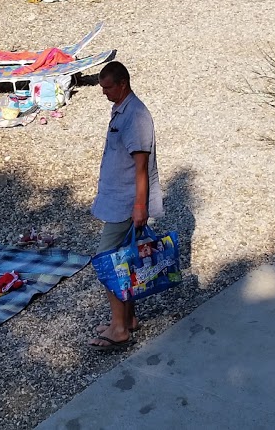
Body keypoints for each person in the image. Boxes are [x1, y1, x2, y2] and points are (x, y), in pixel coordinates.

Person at [89, 61, 162, 349]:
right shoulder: (121, 108)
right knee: (123, 261)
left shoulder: (136, 115)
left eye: (108, 87)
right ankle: (127, 319)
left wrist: (140, 207)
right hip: (117, 201)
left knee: (107, 263)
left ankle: (119, 329)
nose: (104, 93)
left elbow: (141, 167)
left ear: (122, 84)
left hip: (126, 204)